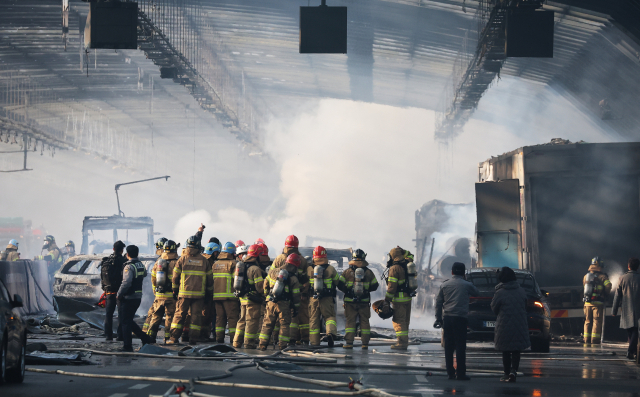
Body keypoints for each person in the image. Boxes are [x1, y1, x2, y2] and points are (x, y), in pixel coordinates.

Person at [434, 262, 479, 381]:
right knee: (460, 346)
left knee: (448, 346)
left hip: (447, 318)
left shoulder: (445, 285)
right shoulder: (467, 285)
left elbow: (438, 303)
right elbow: (476, 292)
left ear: (452, 272)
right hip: (461, 318)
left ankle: (450, 373)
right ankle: (461, 373)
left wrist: (438, 318)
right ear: (464, 273)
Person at [167, 235, 213, 345]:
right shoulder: (204, 261)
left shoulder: (182, 259)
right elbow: (210, 280)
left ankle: (173, 339)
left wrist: (174, 290)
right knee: (196, 317)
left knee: (179, 315)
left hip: (183, 294)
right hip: (199, 295)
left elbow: (175, 277)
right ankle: (193, 339)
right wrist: (208, 293)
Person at [491, 267, 530, 383]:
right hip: (519, 323)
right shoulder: (521, 291)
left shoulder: (500, 292)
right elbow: (525, 305)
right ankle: (514, 371)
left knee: (506, 350)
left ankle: (506, 373)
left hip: (504, 324)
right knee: (516, 350)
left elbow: (494, 308)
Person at [272, 235, 310, 345]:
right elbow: (306, 279)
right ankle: (297, 339)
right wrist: (303, 291)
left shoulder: (278, 259)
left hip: (279, 294)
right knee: (295, 317)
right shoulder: (302, 260)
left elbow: (271, 275)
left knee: (277, 319)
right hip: (296, 293)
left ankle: (274, 340)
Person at [258, 253, 301, 350]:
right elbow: (296, 296)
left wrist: (266, 297)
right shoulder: (294, 279)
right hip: (284, 304)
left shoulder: (273, 272)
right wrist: (296, 308)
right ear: (294, 266)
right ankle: (282, 346)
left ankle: (262, 344)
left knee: (267, 323)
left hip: (271, 302)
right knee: (284, 325)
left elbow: (265, 285)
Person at [117, 245, 154, 352]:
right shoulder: (140, 265)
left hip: (128, 297)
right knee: (128, 320)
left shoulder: (129, 267)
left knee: (125, 322)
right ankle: (145, 338)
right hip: (138, 297)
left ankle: (127, 346)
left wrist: (119, 294)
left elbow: (126, 283)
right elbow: (145, 274)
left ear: (127, 254)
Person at [339, 248, 379, 349]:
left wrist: (347, 291)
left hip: (350, 301)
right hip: (364, 302)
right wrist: (366, 290)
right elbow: (375, 286)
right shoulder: (369, 272)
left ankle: (349, 343)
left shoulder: (347, 272)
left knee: (350, 322)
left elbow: (339, 284)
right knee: (364, 322)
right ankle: (365, 343)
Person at [146, 240, 180, 344]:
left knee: (156, 316)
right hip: (171, 296)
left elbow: (153, 278)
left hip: (159, 295)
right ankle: (167, 338)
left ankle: (150, 337)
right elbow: (179, 279)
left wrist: (155, 291)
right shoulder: (176, 263)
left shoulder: (158, 262)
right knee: (170, 316)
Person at [233, 244, 265, 349]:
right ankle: (248, 343)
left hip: (242, 299)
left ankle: (236, 342)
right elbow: (260, 287)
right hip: (253, 299)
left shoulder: (241, 265)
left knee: (241, 320)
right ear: (256, 255)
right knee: (251, 321)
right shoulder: (255, 269)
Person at [308, 246, 340, 346]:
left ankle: (314, 343)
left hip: (313, 298)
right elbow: (338, 281)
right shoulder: (331, 269)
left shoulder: (309, 269)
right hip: (327, 298)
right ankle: (330, 333)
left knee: (314, 320)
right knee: (329, 317)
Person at [385, 246, 414, 350]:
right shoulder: (408, 263)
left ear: (393, 256)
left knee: (399, 321)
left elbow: (392, 287)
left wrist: (387, 300)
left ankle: (401, 344)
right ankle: (404, 342)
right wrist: (404, 250)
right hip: (408, 298)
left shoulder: (394, 268)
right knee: (405, 321)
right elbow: (411, 255)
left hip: (399, 299)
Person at [212, 242, 240, 343]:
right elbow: (237, 281)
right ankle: (234, 340)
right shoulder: (234, 264)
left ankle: (219, 339)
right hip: (230, 297)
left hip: (217, 296)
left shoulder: (215, 264)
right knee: (232, 318)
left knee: (220, 318)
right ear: (232, 252)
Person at [612, 258, 640, 360]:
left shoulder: (622, 278)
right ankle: (631, 351)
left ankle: (631, 351)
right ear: (637, 267)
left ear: (628, 266)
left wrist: (614, 311)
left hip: (626, 310)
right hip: (638, 310)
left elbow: (617, 296)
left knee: (630, 331)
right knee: (636, 331)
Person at [100, 240, 127, 341]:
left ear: (113, 249)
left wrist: (105, 288)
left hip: (109, 292)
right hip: (120, 293)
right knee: (121, 314)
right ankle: (120, 336)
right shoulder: (123, 261)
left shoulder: (106, 261)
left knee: (109, 314)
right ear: (122, 250)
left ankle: (108, 335)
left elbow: (102, 277)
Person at [583, 257, 612, 344]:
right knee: (597, 321)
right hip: (597, 303)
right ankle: (594, 340)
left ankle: (586, 340)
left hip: (587, 303)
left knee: (587, 321)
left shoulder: (586, 276)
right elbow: (608, 286)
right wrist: (606, 294)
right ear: (599, 266)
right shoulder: (603, 277)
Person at [200, 242, 221, 340]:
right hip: (206, 292)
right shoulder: (209, 262)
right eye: (216, 252)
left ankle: (204, 335)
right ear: (213, 252)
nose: (217, 254)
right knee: (206, 315)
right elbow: (209, 278)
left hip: (200, 291)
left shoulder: (202, 259)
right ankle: (203, 335)